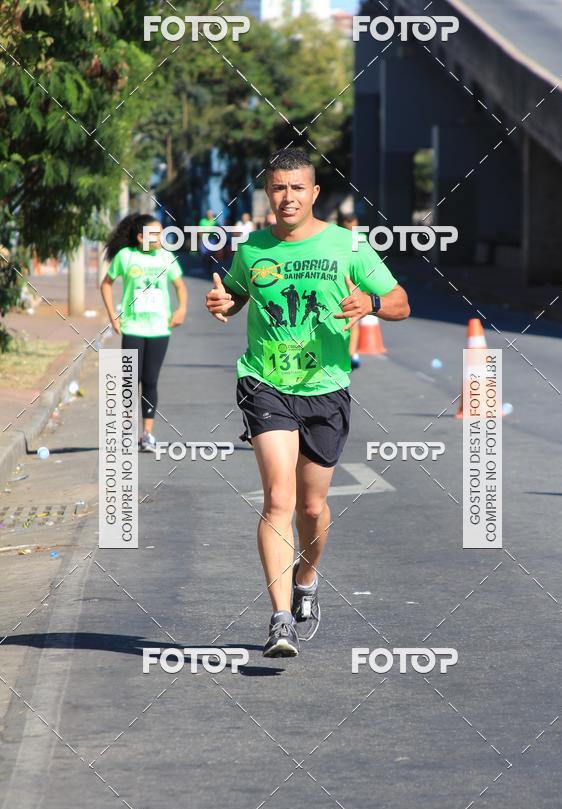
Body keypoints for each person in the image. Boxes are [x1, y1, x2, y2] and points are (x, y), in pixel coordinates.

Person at [206, 147, 409, 658]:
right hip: (264, 382)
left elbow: (402, 302)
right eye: (278, 187)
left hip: (326, 388)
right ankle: (279, 620)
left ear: (314, 193)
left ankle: (307, 575)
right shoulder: (251, 249)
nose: (288, 197)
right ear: (268, 193)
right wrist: (223, 302)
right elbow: (236, 294)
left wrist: (373, 304)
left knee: (313, 508)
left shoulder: (348, 245)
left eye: (298, 187)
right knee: (278, 498)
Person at [101, 214, 187, 452]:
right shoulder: (126, 257)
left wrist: (181, 309)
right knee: (130, 380)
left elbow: (180, 287)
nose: (160, 238)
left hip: (160, 329)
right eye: (154, 234)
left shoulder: (166, 257)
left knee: (150, 381)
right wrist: (113, 315)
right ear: (140, 237)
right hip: (133, 328)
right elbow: (106, 284)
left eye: (161, 233)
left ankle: (147, 434)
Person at [338, 212, 362, 369]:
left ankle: (351, 353)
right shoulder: (337, 240)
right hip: (339, 286)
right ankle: (343, 352)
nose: (352, 230)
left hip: (354, 287)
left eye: (354, 227)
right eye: (348, 228)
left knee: (353, 320)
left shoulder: (361, 241)